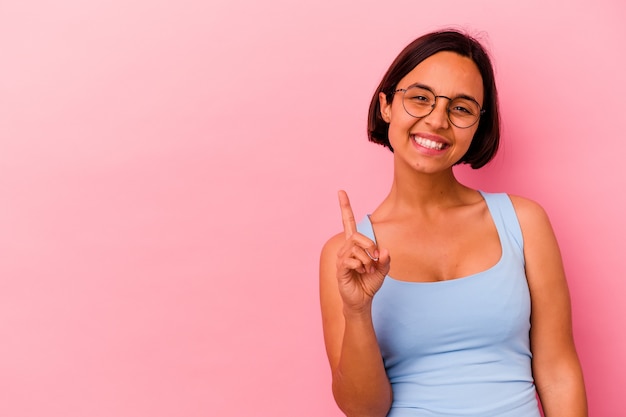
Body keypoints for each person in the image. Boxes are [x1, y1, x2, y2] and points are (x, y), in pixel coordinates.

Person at [319, 29, 587, 417]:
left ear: (478, 124)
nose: (437, 119)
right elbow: (364, 410)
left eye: (461, 108)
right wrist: (357, 312)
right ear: (386, 106)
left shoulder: (524, 222)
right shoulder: (346, 255)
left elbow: (559, 370)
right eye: (420, 98)